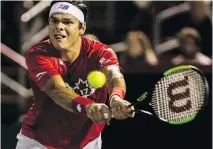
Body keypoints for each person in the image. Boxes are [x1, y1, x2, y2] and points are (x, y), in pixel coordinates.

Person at [15, 1, 134, 149]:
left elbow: (114, 76)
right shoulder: (38, 54)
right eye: (54, 21)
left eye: (67, 22)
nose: (59, 27)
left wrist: (116, 97)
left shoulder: (101, 52)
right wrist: (88, 107)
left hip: (87, 143)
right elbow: (56, 90)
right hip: (39, 142)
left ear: (82, 27)